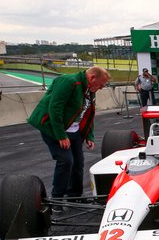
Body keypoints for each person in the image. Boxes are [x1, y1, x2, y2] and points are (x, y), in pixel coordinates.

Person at [28, 66, 111, 208]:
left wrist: (89, 135)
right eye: (101, 85)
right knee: (66, 161)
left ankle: (75, 196)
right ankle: (57, 199)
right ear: (92, 78)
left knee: (78, 163)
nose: (101, 88)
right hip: (54, 128)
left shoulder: (90, 89)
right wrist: (61, 135)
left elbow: (88, 113)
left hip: (74, 131)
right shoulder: (68, 82)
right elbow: (55, 107)